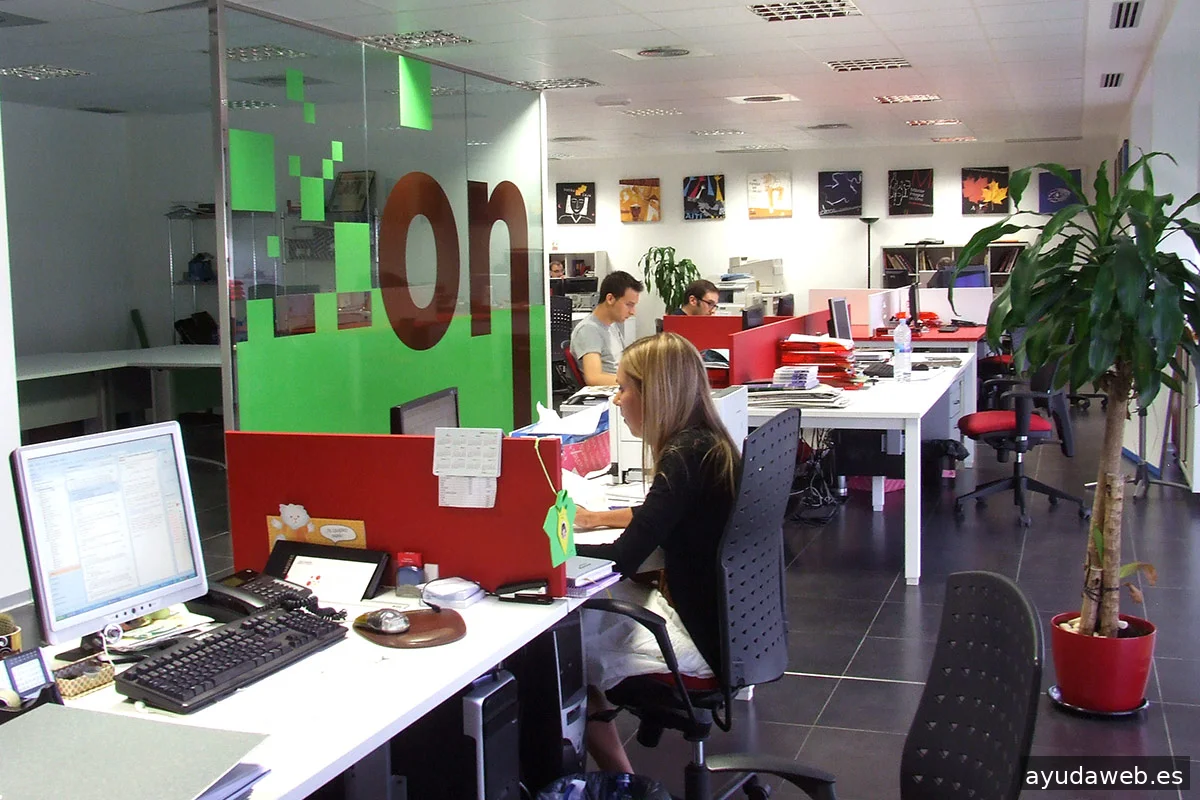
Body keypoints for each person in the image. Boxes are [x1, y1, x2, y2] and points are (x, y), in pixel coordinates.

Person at [573, 333, 741, 773]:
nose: (616, 399)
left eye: (623, 388)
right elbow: (660, 515)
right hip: (729, 630)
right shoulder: (707, 444)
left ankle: (621, 782)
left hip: (701, 643)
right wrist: (596, 521)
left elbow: (622, 560)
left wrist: (547, 549)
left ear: (654, 393)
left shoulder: (683, 456)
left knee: (561, 654)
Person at [569, 271, 642, 386]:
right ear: (610, 299)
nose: (633, 312)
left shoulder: (612, 325)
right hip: (612, 391)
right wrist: (638, 382)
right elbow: (594, 378)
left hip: (621, 385)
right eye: (629, 305)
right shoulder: (588, 330)